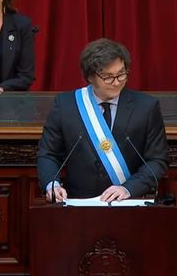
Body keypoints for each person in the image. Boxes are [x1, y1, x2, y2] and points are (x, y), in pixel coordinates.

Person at [38, 38, 167, 202]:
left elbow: (157, 160)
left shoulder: (146, 107)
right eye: (108, 77)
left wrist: (129, 188)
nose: (117, 82)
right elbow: (48, 154)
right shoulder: (65, 106)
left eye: (121, 74)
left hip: (129, 201)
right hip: (78, 202)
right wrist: (52, 184)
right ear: (90, 77)